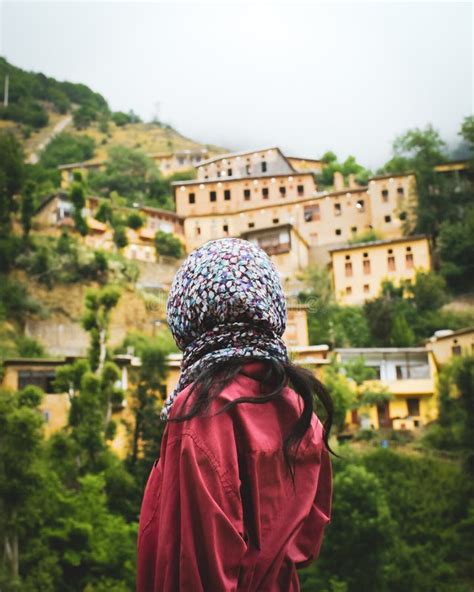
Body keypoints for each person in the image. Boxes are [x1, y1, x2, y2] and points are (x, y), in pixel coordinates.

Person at [137, 238, 333, 592]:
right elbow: (306, 541)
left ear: (187, 313)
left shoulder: (202, 412)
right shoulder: (301, 412)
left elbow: (195, 572)